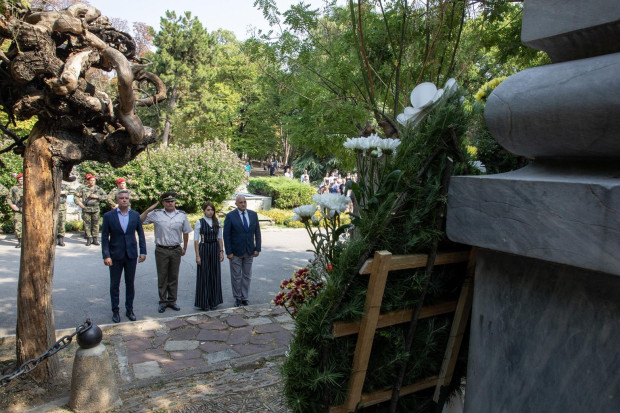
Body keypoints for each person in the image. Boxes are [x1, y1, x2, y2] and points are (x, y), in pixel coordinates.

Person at [140, 191, 192, 313]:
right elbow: (140, 220)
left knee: (173, 276)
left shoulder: (181, 215)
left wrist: (184, 247)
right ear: (163, 202)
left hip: (175, 249)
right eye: (167, 201)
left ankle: (172, 301)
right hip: (161, 249)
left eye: (172, 201)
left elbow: (186, 232)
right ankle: (163, 301)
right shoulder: (156, 214)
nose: (170, 203)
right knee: (162, 276)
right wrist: (148, 209)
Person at [101, 190, 147, 323]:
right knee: (115, 284)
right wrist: (106, 255)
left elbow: (141, 234)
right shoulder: (109, 216)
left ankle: (129, 309)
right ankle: (115, 311)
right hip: (115, 256)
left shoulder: (135, 215)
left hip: (131, 255)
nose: (124, 200)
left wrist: (143, 251)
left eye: (126, 198)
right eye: (121, 198)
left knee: (130, 283)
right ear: (117, 200)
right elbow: (105, 237)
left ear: (129, 200)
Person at [223, 195, 261, 307]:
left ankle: (245, 297)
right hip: (235, 252)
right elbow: (226, 235)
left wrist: (257, 248)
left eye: (244, 202)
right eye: (240, 202)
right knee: (236, 276)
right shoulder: (230, 216)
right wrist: (228, 251)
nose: (243, 204)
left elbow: (257, 233)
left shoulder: (253, 215)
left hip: (249, 250)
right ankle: (237, 298)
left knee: (247, 275)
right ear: (236, 204)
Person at [193, 201, 224, 311]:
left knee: (215, 275)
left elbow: (220, 238)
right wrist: (197, 256)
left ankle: (214, 302)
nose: (210, 212)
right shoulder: (199, 222)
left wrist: (221, 251)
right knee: (204, 275)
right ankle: (204, 302)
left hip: (215, 248)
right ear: (204, 210)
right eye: (208, 210)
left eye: (212, 210)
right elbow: (196, 241)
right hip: (204, 248)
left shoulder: (217, 221)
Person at [74, 173, 107, 246]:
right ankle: (88, 239)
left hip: (96, 209)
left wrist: (97, 196)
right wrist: (79, 203)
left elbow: (106, 196)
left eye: (93, 180)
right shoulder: (83, 188)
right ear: (88, 181)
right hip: (86, 209)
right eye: (91, 180)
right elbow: (75, 196)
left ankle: (95, 239)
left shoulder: (98, 189)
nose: (92, 181)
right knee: (87, 224)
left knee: (96, 224)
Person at [6, 173, 23, 248]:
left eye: (22, 179)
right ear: (17, 180)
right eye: (20, 179)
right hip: (18, 209)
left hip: (29, 210)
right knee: (18, 226)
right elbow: (8, 198)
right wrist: (12, 205)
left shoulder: (30, 187)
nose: (21, 181)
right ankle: (20, 241)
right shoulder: (14, 188)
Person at [57, 180, 75, 246]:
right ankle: (53, 239)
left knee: (61, 223)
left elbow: (74, 191)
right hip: (52, 208)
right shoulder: (51, 184)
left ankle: (61, 239)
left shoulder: (64, 186)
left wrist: (64, 192)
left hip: (62, 208)